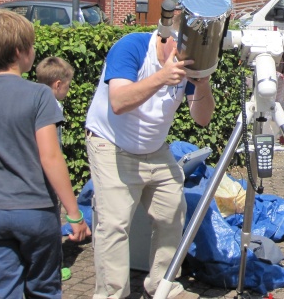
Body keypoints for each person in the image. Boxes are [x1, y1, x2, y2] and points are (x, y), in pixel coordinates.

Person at [0, 10, 90, 298]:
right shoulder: (39, 95)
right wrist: (74, 213)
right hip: (36, 212)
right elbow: (51, 157)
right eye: (31, 46)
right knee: (42, 289)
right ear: (20, 52)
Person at [85, 17, 215, 299]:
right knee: (114, 225)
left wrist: (202, 84)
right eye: (184, 49)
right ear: (167, 36)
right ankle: (110, 295)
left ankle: (161, 286)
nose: (187, 59)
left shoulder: (189, 65)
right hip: (111, 144)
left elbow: (202, 119)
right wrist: (161, 77)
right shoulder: (131, 47)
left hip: (154, 150)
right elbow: (118, 102)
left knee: (172, 213)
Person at [36, 56, 76, 282]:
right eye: (67, 87)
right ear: (58, 84)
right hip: (48, 178)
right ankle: (54, 267)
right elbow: (54, 149)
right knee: (52, 220)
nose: (68, 92)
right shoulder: (51, 106)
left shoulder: (31, 99)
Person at [36, 56, 75, 146]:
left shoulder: (34, 100)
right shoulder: (54, 106)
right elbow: (53, 142)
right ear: (58, 85)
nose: (68, 88)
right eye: (68, 85)